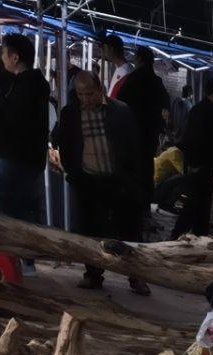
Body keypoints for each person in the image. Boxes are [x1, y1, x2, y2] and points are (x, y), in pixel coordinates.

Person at [54, 70, 149, 293]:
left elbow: (134, 149)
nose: (85, 99)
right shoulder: (70, 114)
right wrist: (73, 173)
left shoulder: (120, 111)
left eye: (89, 94)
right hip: (88, 182)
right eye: (80, 94)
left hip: (118, 181)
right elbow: (65, 146)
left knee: (129, 231)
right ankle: (93, 274)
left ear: (100, 90)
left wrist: (134, 181)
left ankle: (136, 276)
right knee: (91, 231)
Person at [0, 34, 50, 225]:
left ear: (15, 58)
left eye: (4, 53)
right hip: (30, 158)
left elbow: (16, 120)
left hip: (18, 157)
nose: (2, 57)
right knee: (21, 212)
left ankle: (5, 253)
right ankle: (23, 254)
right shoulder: (31, 83)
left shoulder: (26, 86)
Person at [111, 46, 170, 231]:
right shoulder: (156, 81)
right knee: (146, 173)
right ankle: (144, 212)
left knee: (130, 173)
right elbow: (166, 108)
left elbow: (119, 102)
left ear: (139, 59)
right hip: (148, 137)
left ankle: (131, 212)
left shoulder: (132, 80)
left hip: (131, 135)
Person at [171, 76, 213, 237]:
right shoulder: (208, 112)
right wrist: (197, 164)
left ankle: (197, 237)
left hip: (198, 166)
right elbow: (198, 139)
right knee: (195, 205)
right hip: (201, 167)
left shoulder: (199, 108)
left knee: (199, 205)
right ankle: (178, 236)